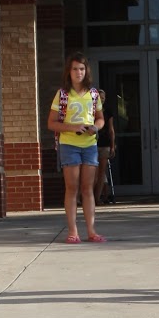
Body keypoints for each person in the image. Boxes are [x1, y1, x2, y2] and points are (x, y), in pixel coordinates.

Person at [47, 53, 106, 243]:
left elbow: (100, 118)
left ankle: (91, 231)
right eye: (75, 69)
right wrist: (72, 127)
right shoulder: (62, 94)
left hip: (89, 145)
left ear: (86, 71)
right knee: (72, 188)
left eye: (82, 69)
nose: (78, 72)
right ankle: (73, 232)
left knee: (88, 188)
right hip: (69, 145)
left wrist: (95, 127)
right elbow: (51, 123)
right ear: (69, 72)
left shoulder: (94, 94)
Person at [96, 106, 116, 205]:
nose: (101, 100)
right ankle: (90, 197)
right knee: (93, 173)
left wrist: (112, 146)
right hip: (92, 145)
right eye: (100, 97)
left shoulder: (108, 112)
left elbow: (111, 129)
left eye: (103, 98)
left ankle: (97, 197)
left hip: (105, 145)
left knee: (101, 172)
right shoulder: (90, 110)